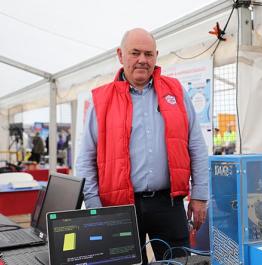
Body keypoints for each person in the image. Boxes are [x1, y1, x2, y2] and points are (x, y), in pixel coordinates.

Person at [76, 28, 208, 264]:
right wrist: (95, 209)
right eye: (135, 53)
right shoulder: (101, 100)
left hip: (168, 204)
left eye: (148, 54)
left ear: (156, 56)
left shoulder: (176, 92)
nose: (142, 60)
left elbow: (196, 145)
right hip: (118, 208)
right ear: (120, 55)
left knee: (179, 261)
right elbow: (86, 158)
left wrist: (199, 196)